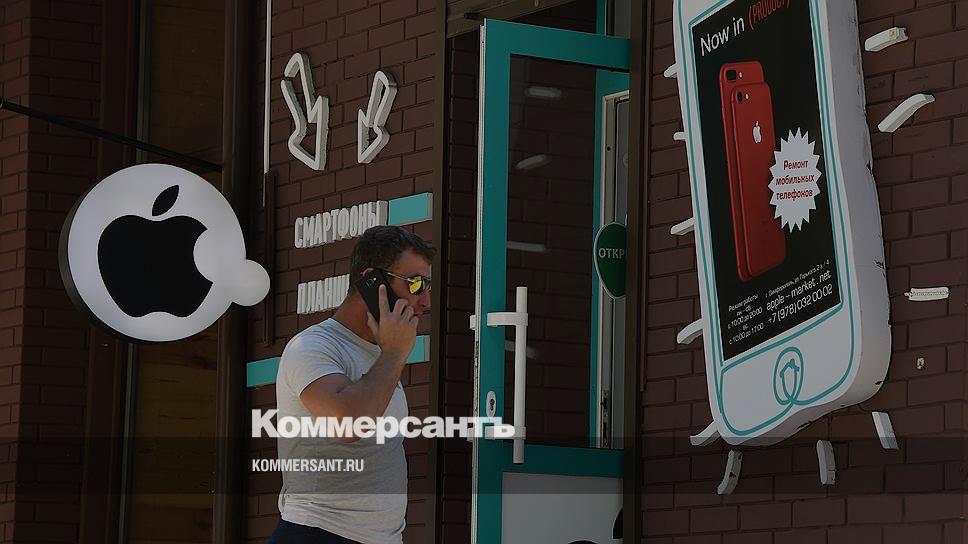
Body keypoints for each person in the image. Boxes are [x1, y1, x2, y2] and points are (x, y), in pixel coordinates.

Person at [269, 226, 434, 544]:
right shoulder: (313, 347)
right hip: (318, 532)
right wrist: (395, 354)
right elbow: (350, 424)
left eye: (427, 286)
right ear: (373, 281)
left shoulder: (380, 355)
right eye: (415, 283)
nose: (425, 300)